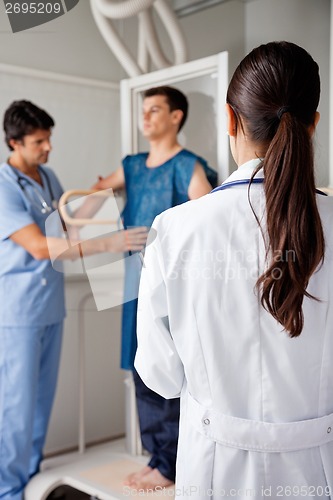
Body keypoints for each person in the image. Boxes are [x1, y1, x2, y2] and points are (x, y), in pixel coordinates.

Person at [135, 41, 333, 498]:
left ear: (229, 118)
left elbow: (160, 375)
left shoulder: (177, 229)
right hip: (320, 469)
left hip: (214, 470)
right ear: (313, 124)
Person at [0, 100, 147, 500]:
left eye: (49, 139)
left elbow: (67, 221)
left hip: (49, 308)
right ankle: (8, 490)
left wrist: (103, 189)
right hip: (17, 312)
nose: (47, 148)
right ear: (14, 143)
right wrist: (109, 242)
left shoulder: (45, 176)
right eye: (38, 142)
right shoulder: (3, 185)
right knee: (16, 407)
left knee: (39, 405)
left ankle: (27, 478)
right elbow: (38, 246)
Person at [90, 86, 217, 490]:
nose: (145, 118)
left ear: (176, 116)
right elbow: (89, 198)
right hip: (132, 280)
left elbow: (212, 220)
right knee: (140, 364)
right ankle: (157, 455)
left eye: (154, 110)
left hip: (172, 284)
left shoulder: (188, 166)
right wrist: (99, 230)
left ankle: (172, 461)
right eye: (143, 111)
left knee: (169, 364)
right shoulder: (131, 166)